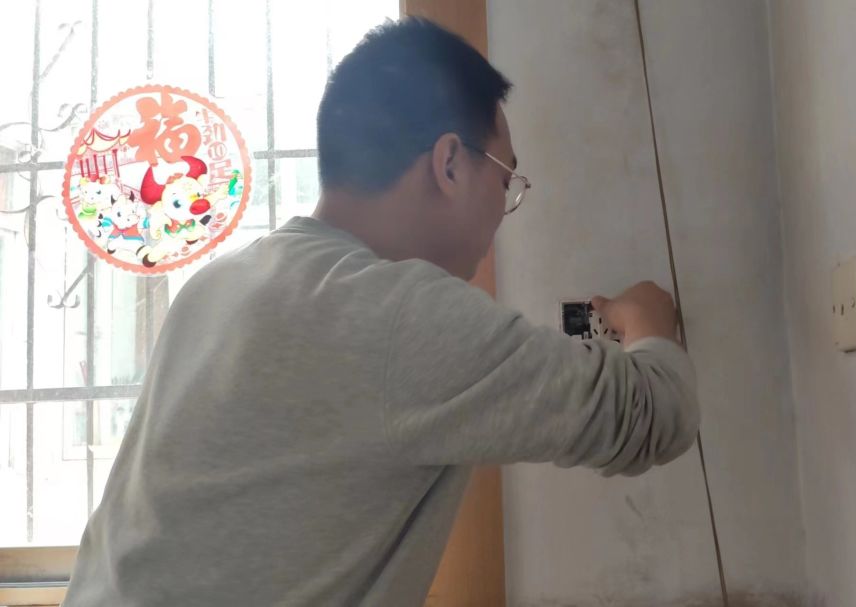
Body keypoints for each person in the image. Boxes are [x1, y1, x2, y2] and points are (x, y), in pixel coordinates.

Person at [64, 17, 699, 606]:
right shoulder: (400, 316)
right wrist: (646, 317)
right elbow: (653, 415)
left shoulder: (220, 283)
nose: (503, 208)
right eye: (505, 180)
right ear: (449, 164)